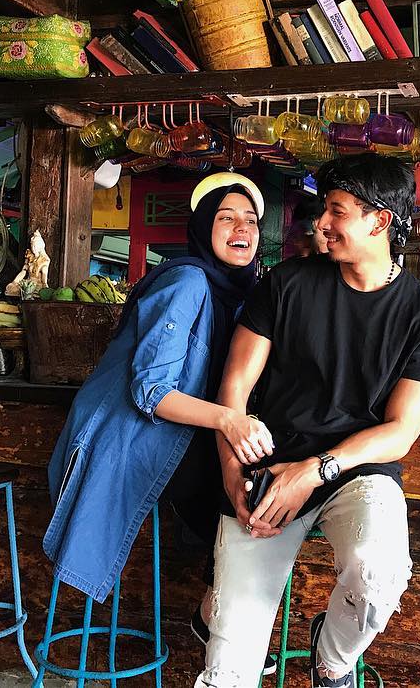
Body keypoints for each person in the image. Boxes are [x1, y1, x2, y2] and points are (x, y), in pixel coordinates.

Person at [194, 154, 420, 688]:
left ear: (380, 221)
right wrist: (230, 474)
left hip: (356, 470)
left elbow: (400, 432)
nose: (322, 223)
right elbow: (233, 390)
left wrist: (314, 471)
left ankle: (332, 661)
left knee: (378, 577)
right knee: (227, 676)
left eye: (337, 210)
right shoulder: (286, 283)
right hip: (265, 465)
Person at [42, 173, 276, 664]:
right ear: (202, 227)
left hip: (179, 433)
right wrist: (229, 421)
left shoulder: (245, 292)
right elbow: (151, 391)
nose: (242, 228)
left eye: (251, 220)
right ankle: (220, 614)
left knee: (256, 483)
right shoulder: (187, 282)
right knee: (245, 493)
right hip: (130, 436)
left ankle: (220, 610)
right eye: (226, 218)